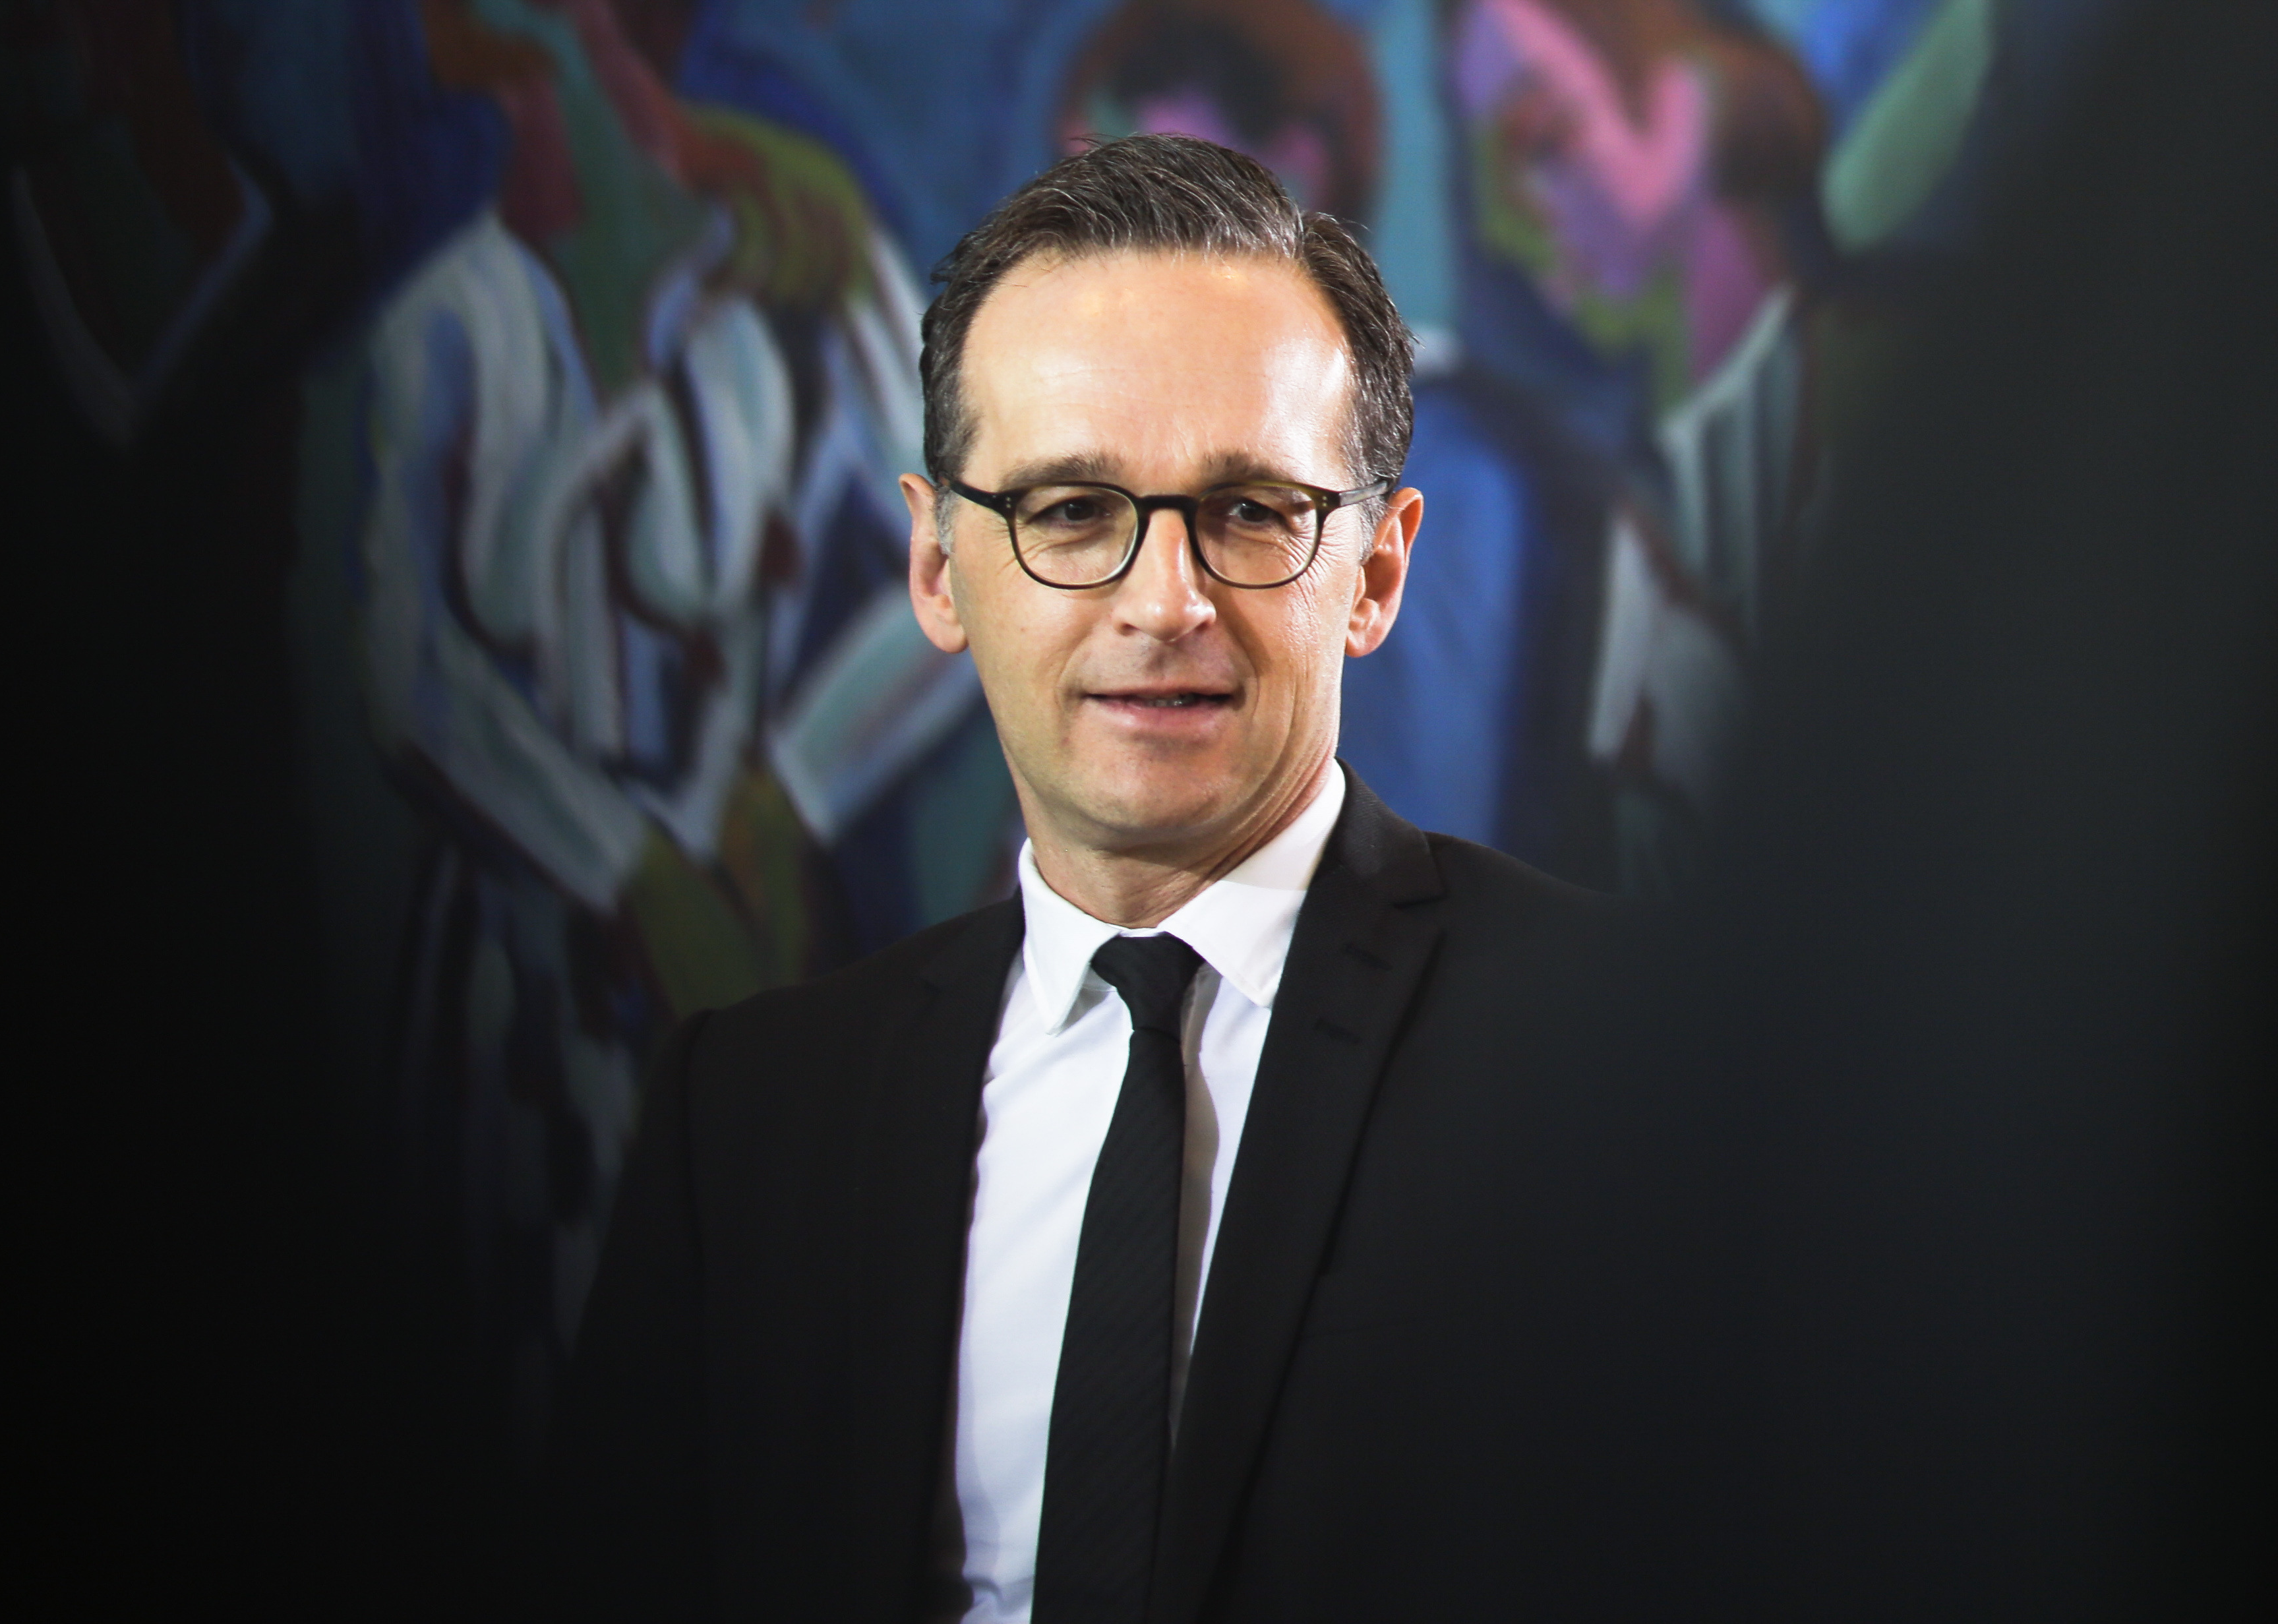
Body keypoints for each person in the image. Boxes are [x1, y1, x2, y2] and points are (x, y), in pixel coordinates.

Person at [557, 133, 1632, 1621]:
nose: (1164, 599)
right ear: (938, 566)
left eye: (1252, 510)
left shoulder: (1631, 1052)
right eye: (1071, 511)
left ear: (1375, 573)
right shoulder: (744, 1120)